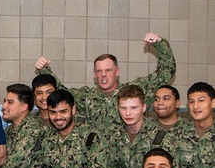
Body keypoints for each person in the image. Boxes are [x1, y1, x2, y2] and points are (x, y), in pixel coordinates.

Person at [33, 31, 176, 133]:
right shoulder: (86, 96)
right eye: (99, 71)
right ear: (95, 74)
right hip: (98, 160)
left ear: (117, 72)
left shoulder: (133, 92)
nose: (103, 75)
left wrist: (160, 44)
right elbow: (61, 93)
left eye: (108, 70)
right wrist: (45, 70)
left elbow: (167, 70)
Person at [0, 83, 45, 168]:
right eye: (5, 101)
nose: (4, 106)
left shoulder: (32, 127)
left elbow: (19, 158)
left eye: (10, 102)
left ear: (23, 107)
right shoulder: (8, 132)